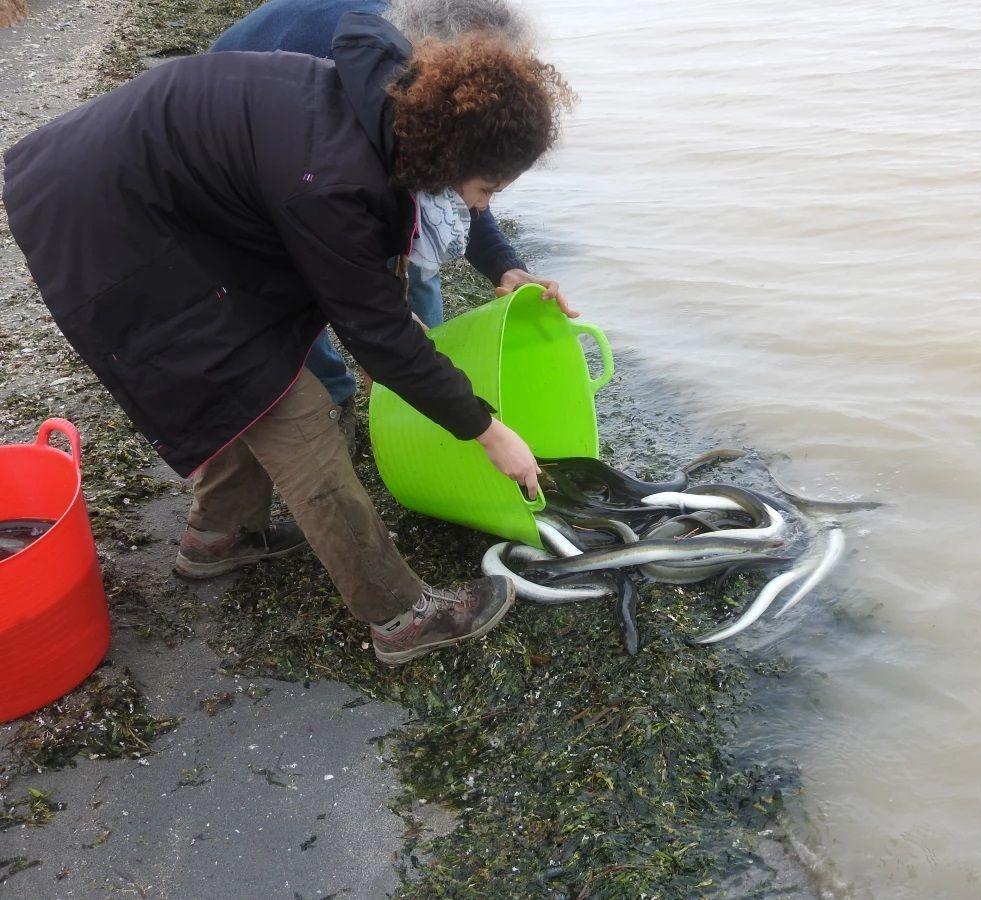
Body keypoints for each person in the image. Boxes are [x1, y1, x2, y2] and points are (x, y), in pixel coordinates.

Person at [2, 13, 574, 666]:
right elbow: (378, 339)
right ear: (451, 155)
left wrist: (428, 295)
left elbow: (364, 289)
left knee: (255, 361)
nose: (480, 206)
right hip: (104, 213)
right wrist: (487, 431)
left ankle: (219, 538)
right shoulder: (333, 178)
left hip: (161, 190)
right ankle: (398, 616)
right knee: (280, 402)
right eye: (487, 188)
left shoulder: (397, 100)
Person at [210, 0, 573, 449]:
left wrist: (503, 264)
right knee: (304, 285)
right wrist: (388, 331)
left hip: (343, 143)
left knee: (411, 279)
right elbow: (351, 268)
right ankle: (336, 399)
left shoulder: (428, 87)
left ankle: (428, 403)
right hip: (251, 124)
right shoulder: (353, 83)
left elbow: (465, 172)